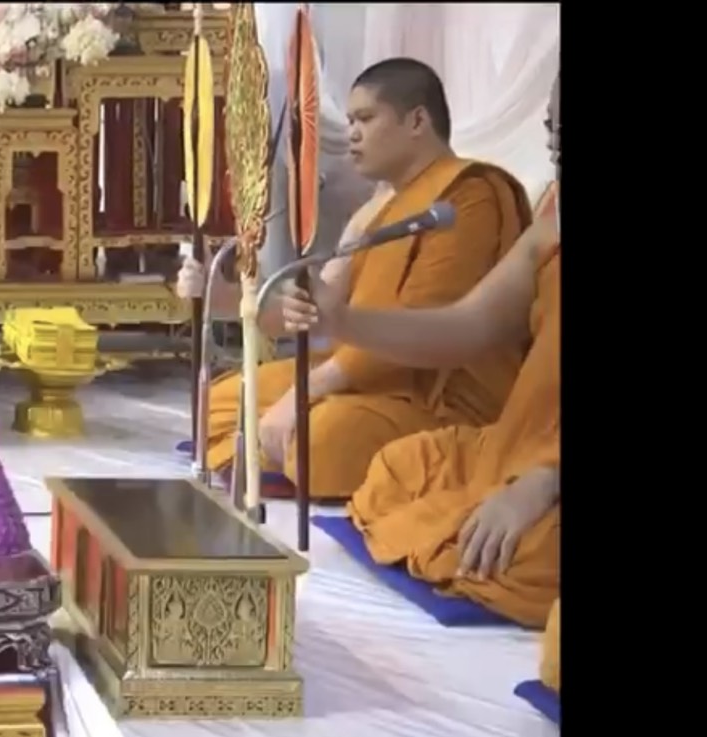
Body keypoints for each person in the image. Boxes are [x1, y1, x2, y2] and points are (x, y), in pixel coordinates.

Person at [178, 58, 533, 499]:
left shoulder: (466, 197)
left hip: (437, 398)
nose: (352, 134)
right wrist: (227, 297)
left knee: (319, 442)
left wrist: (304, 392)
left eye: (365, 118)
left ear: (417, 121)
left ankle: (284, 451)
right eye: (349, 121)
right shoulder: (379, 208)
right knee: (217, 402)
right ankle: (278, 449)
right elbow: (314, 314)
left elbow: (425, 329)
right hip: (369, 381)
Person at [282, 73, 560, 628]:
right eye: (553, 126)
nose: (554, 144)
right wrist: (342, 320)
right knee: (393, 472)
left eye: (366, 119)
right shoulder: (547, 234)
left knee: (525, 556)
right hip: (516, 444)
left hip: (543, 464)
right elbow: (464, 326)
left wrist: (547, 478)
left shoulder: (470, 194)